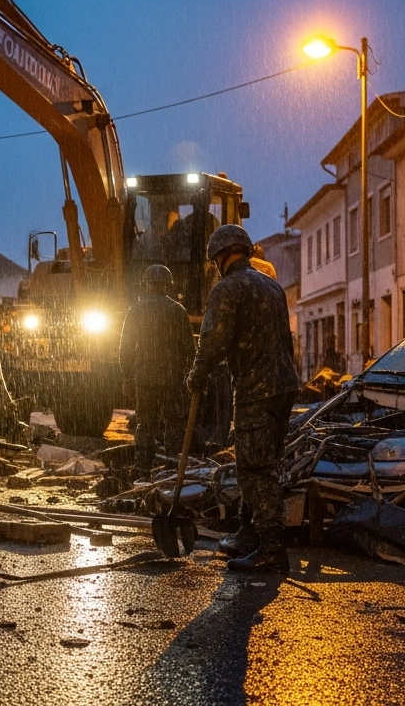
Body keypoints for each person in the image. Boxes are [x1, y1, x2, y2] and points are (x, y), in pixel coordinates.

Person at [187, 225, 299, 572]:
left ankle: (271, 551)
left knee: (255, 467)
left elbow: (213, 342)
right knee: (261, 462)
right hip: (284, 386)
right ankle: (248, 533)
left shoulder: (228, 288)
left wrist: (196, 375)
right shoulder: (272, 287)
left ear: (220, 257)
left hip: (257, 389)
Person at [119, 264, 195, 477]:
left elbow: (125, 348)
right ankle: (172, 468)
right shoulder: (177, 310)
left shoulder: (135, 310)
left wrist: (126, 376)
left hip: (144, 379)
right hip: (172, 379)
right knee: (173, 423)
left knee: (145, 425)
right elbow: (189, 349)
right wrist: (190, 376)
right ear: (167, 285)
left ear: (147, 284)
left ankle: (143, 468)